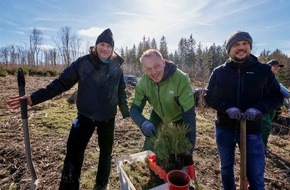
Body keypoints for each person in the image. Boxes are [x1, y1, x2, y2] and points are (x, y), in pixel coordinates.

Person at [7, 28, 129, 190]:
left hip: (108, 117)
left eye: (108, 45)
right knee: (73, 154)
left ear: (112, 49)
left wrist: (127, 113)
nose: (104, 48)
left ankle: (101, 185)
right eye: (102, 44)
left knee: (106, 153)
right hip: (84, 116)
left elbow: (120, 92)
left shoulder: (117, 68)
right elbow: (61, 83)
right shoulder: (84, 63)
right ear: (96, 46)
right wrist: (34, 98)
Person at [204, 31, 284, 190]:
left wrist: (258, 109)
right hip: (224, 128)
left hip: (252, 131)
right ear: (229, 49)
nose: (241, 48)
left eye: (245, 44)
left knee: (255, 174)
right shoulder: (219, 72)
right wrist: (227, 108)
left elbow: (277, 97)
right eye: (236, 45)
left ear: (250, 46)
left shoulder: (263, 71)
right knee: (226, 168)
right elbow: (208, 96)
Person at [129, 49, 196, 153]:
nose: (154, 72)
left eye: (156, 66)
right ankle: (152, 168)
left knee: (180, 149)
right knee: (150, 145)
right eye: (149, 69)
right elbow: (134, 109)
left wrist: (189, 145)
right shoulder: (143, 83)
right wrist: (143, 123)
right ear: (144, 69)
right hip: (158, 114)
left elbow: (189, 114)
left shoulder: (181, 79)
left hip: (180, 117)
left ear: (163, 63)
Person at [262, 59, 284, 155]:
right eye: (274, 66)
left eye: (278, 66)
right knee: (266, 126)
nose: (277, 68)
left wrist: (281, 106)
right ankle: (262, 148)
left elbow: (279, 94)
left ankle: (264, 145)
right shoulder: (262, 77)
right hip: (263, 106)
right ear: (268, 66)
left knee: (267, 126)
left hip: (272, 108)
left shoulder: (277, 80)